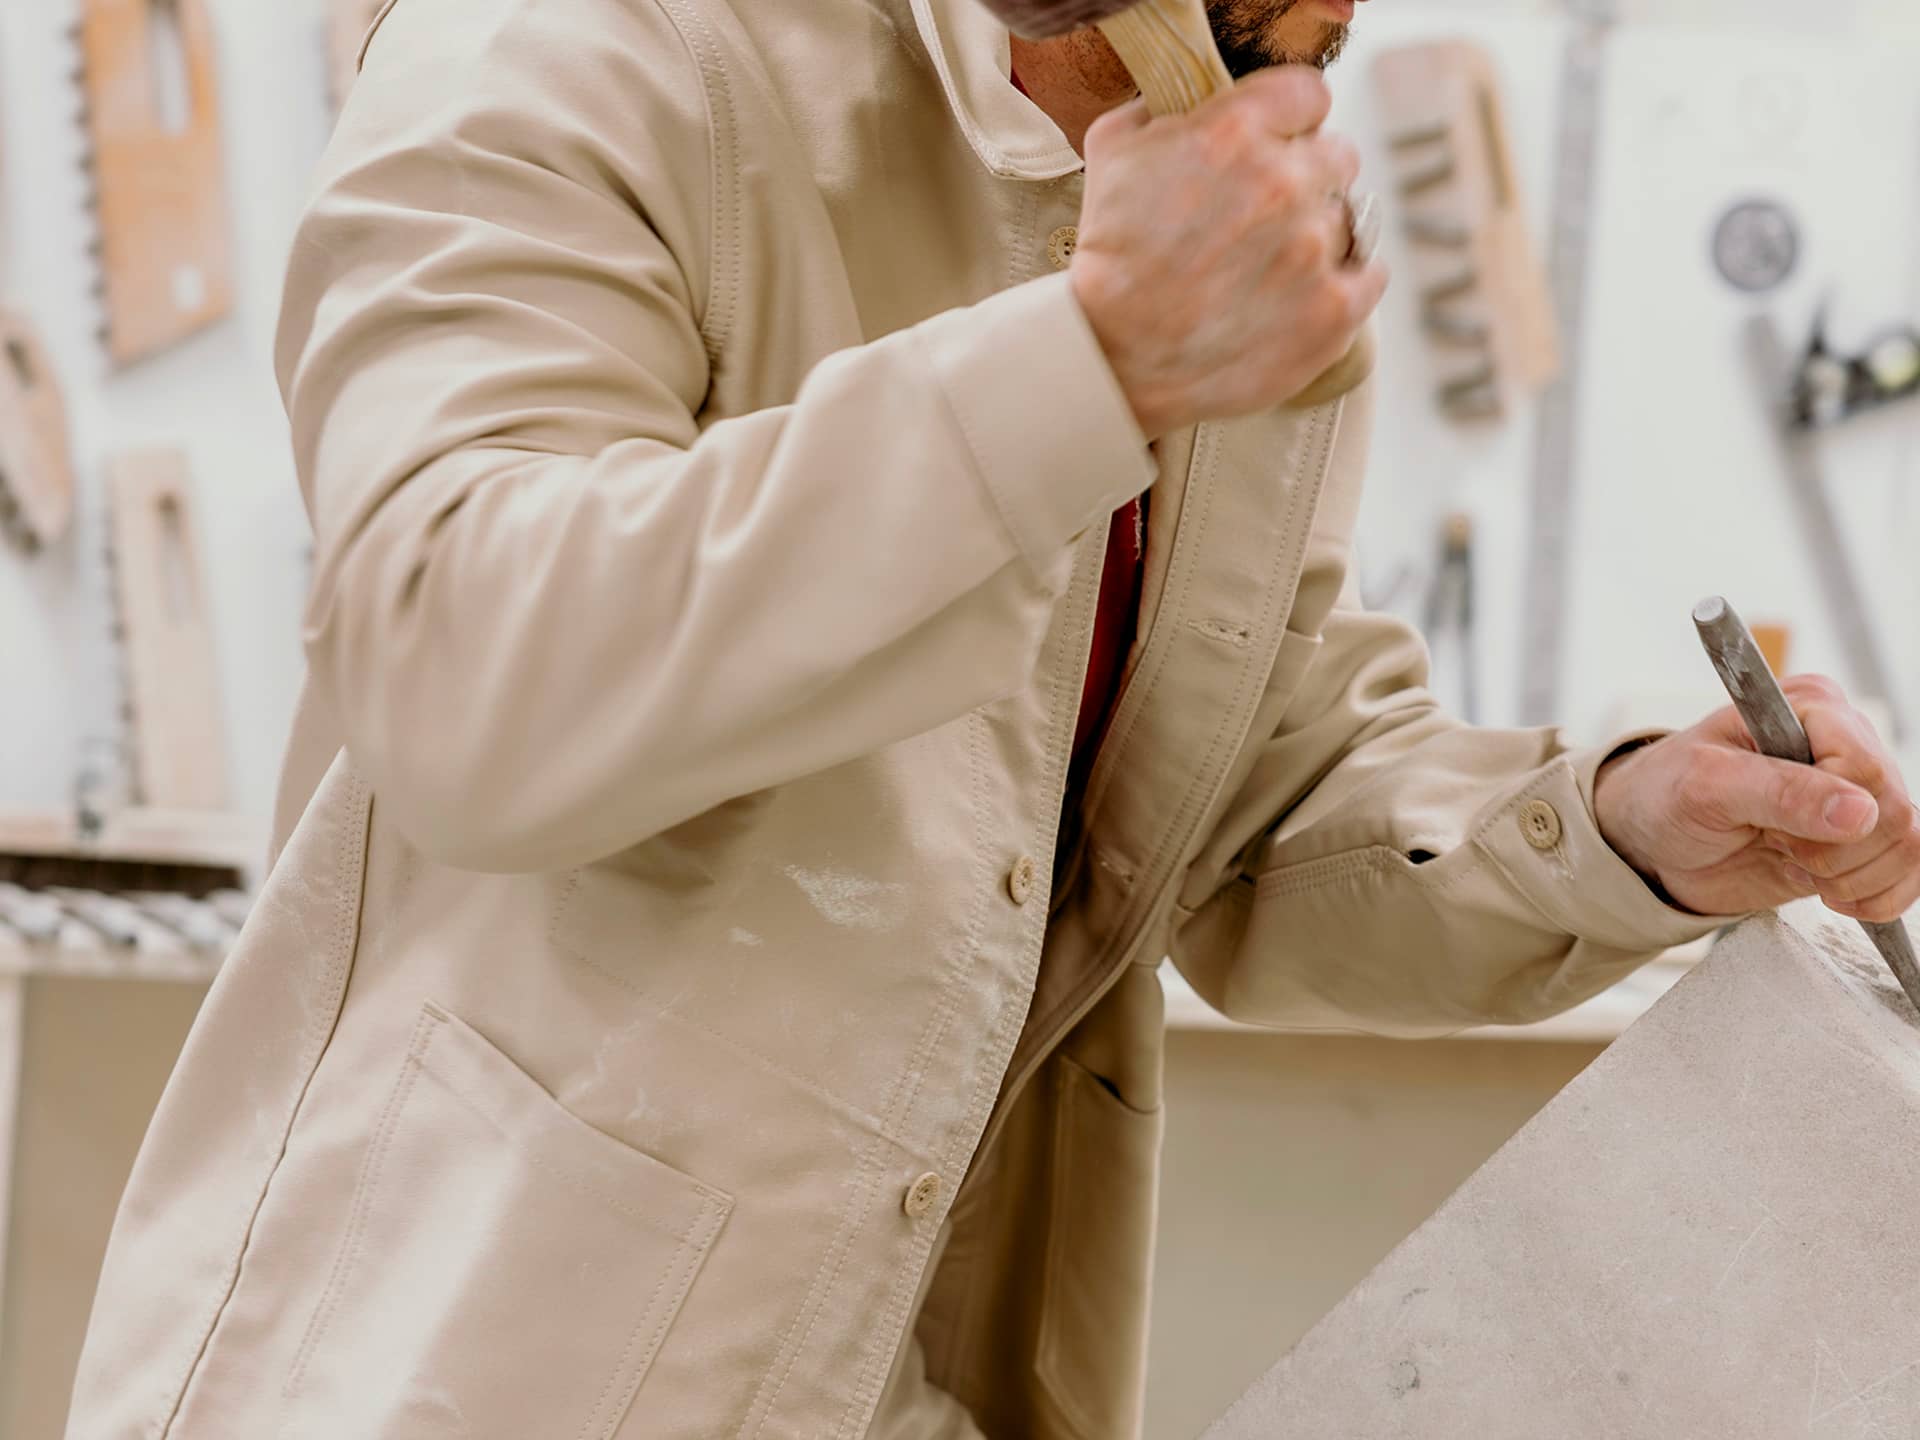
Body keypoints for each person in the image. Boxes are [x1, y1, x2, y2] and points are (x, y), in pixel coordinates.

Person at [66, 0, 1920, 1436]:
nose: (1312, 57)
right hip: (462, 1370)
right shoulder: (595, 45)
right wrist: (1091, 363)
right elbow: (462, 676)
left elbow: (1223, 814)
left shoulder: (1233, 155)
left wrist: (1613, 831)